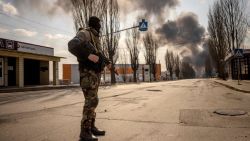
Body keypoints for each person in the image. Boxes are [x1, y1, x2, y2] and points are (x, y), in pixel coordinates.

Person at [76, 16, 110, 141]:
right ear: (94, 24)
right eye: (99, 24)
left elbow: (99, 54)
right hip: (87, 73)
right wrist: (89, 56)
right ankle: (85, 132)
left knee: (94, 101)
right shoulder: (85, 33)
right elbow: (72, 44)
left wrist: (108, 63)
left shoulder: (95, 37)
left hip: (94, 74)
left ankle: (91, 127)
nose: (100, 26)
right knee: (91, 101)